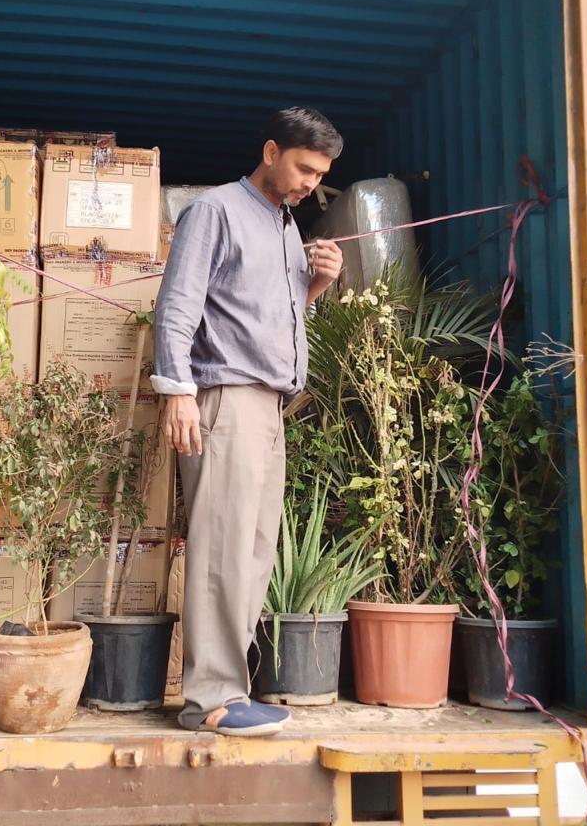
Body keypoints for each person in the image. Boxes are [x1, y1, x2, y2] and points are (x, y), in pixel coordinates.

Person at [151, 107, 345, 736]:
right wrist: (178, 392)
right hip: (225, 399)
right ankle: (210, 699)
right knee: (223, 549)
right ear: (270, 151)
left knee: (254, 551)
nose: (310, 183)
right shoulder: (215, 211)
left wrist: (316, 285)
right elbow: (177, 305)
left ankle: (228, 691)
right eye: (304, 168)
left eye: (320, 175)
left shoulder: (286, 226)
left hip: (269, 407)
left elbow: (264, 320)